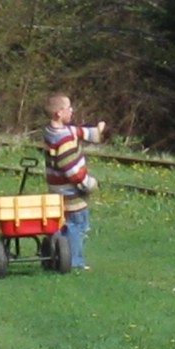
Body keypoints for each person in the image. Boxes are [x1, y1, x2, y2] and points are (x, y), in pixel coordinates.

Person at [43, 94, 106, 271]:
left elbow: (78, 131)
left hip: (56, 191)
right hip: (71, 192)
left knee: (60, 225)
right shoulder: (63, 140)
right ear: (58, 113)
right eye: (68, 108)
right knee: (76, 227)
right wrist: (88, 184)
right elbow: (71, 170)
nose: (72, 110)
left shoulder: (52, 132)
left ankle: (55, 257)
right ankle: (74, 262)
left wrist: (97, 132)